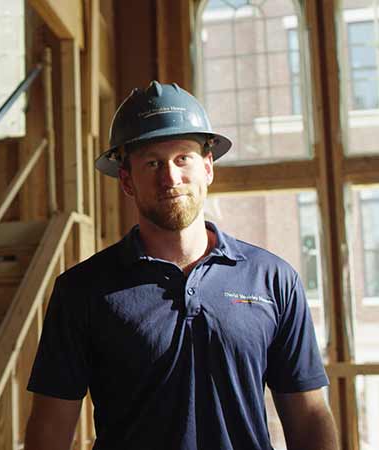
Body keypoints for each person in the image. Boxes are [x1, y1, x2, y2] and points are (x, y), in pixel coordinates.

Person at [24, 81, 338, 450]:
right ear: (126, 180)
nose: (170, 177)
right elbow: (49, 432)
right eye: (153, 162)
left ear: (207, 167)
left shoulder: (272, 281)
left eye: (182, 159)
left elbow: (310, 418)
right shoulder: (82, 291)